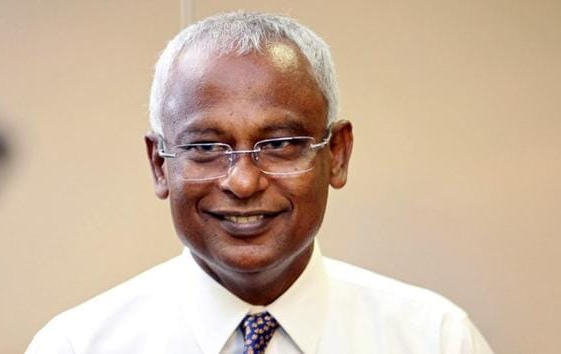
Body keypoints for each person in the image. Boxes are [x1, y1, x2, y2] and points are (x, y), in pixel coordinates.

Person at [26, 11, 494, 354]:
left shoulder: (435, 339)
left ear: (337, 154)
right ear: (159, 164)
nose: (244, 182)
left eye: (279, 144)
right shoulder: (77, 344)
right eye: (207, 148)